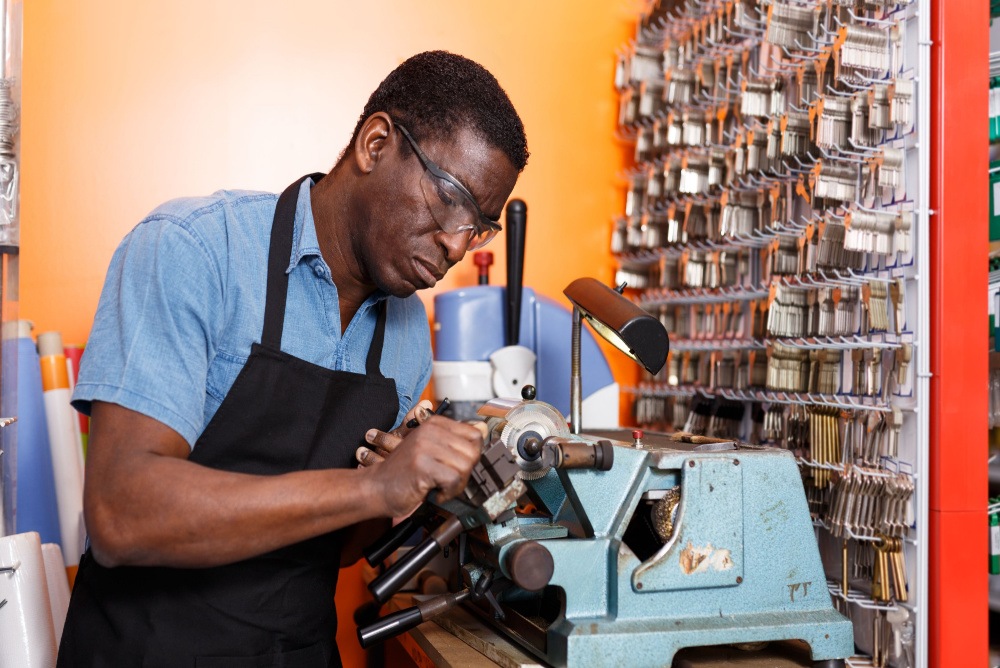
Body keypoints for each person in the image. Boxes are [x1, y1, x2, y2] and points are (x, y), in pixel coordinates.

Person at [56, 50, 529, 667]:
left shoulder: (408, 330)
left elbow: (333, 549)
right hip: (150, 649)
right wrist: (372, 489)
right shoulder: (196, 250)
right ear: (376, 143)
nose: (457, 243)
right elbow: (122, 514)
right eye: (450, 198)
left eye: (481, 225)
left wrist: (401, 493)